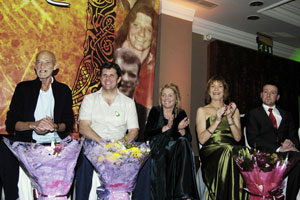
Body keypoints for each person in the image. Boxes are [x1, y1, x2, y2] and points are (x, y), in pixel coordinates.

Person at [2, 50, 74, 199]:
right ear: (34, 67)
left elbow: (68, 124)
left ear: (55, 66)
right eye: (38, 62)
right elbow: (11, 124)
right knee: (4, 148)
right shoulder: (23, 88)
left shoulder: (64, 90)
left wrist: (54, 126)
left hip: (54, 145)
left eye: (47, 62)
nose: (42, 66)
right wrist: (34, 125)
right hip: (28, 144)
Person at [75, 62, 139, 199]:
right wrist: (103, 142)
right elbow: (83, 127)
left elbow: (133, 131)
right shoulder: (89, 99)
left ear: (119, 79)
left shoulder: (128, 103)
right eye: (104, 75)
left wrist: (119, 145)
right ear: (100, 78)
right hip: (94, 146)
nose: (107, 78)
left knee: (144, 157)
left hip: (119, 147)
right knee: (83, 156)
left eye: (111, 75)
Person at [195, 75, 248, 200]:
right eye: (212, 86)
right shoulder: (202, 110)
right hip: (211, 149)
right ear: (209, 91)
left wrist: (229, 118)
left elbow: (238, 138)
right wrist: (217, 121)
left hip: (231, 148)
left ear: (224, 90)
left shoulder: (233, 110)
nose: (216, 89)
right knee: (228, 151)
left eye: (220, 86)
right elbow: (202, 139)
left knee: (242, 153)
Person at [144, 83, 199, 200]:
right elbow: (147, 134)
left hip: (175, 151)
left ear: (176, 98)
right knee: (173, 146)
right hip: (159, 149)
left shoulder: (181, 113)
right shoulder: (155, 111)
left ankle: (182, 194)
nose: (166, 98)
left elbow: (188, 138)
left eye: (170, 95)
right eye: (164, 95)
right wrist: (167, 128)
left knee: (183, 143)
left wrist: (180, 130)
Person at [246, 83, 300, 200]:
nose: (269, 95)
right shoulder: (253, 114)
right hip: (264, 153)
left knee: (297, 158)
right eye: (266, 92)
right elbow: (253, 139)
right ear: (261, 95)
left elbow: (294, 136)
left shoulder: (286, 115)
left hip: (286, 154)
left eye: (273, 93)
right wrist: (279, 148)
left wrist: (291, 144)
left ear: (278, 97)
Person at [114, 47, 149, 142]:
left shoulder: (146, 115)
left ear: (138, 80)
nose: (126, 79)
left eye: (132, 75)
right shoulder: (100, 105)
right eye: (122, 72)